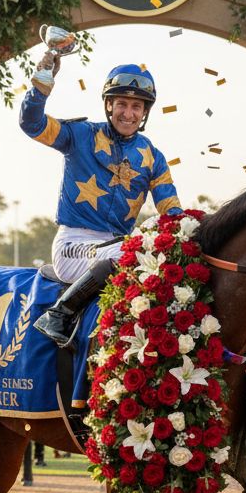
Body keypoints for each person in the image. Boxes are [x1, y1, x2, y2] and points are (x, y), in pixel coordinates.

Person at [20, 54, 180, 346]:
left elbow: (172, 212)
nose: (128, 114)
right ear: (109, 105)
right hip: (73, 245)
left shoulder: (153, 157)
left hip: (118, 246)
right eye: (121, 104)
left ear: (145, 112)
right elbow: (32, 124)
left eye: (136, 106)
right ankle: (58, 313)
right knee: (126, 254)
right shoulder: (80, 135)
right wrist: (41, 85)